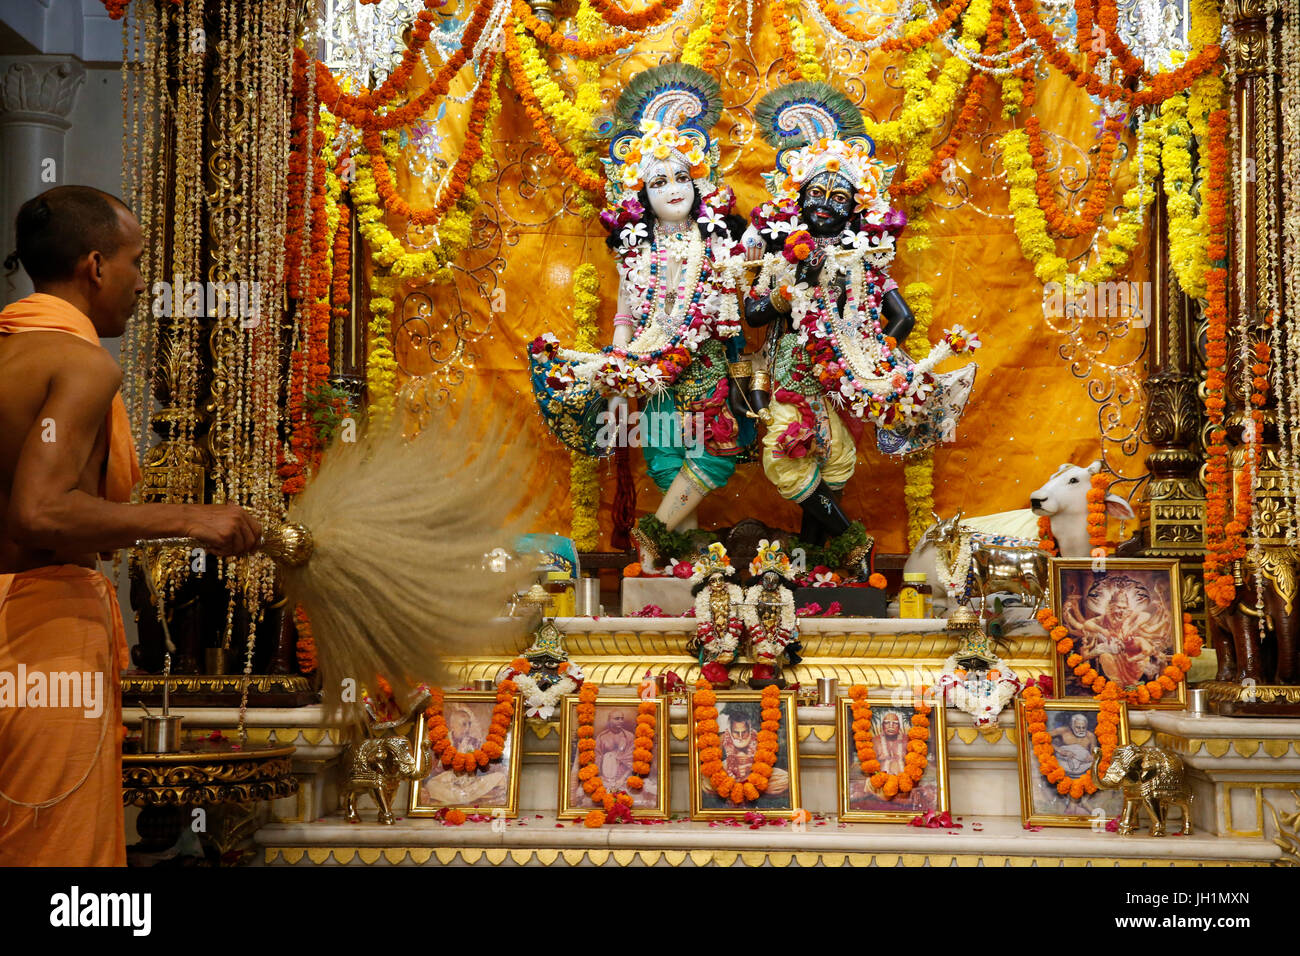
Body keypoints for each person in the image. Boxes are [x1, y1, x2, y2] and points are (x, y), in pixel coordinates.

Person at [0, 185, 261, 866]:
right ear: (95, 266)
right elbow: (41, 509)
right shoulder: (82, 364)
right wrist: (191, 519)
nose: (142, 283)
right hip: (41, 641)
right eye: (136, 262)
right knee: (58, 858)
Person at [528, 64, 755, 567]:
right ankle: (679, 565)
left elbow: (745, 296)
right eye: (659, 181)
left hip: (706, 369)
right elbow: (626, 315)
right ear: (642, 196)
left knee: (715, 459)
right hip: (649, 368)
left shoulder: (722, 239)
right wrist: (617, 371)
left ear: (699, 183)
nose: (673, 187)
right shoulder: (635, 251)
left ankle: (650, 533)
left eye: (682, 176)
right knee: (665, 462)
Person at [1050, 713, 1098, 778]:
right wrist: (1060, 750)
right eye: (1078, 727)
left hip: (1082, 770)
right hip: (1062, 767)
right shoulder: (1063, 731)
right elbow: (1043, 737)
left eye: (1084, 728)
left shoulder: (1090, 736)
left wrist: (1091, 757)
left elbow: (1094, 753)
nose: (1081, 730)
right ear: (1072, 726)